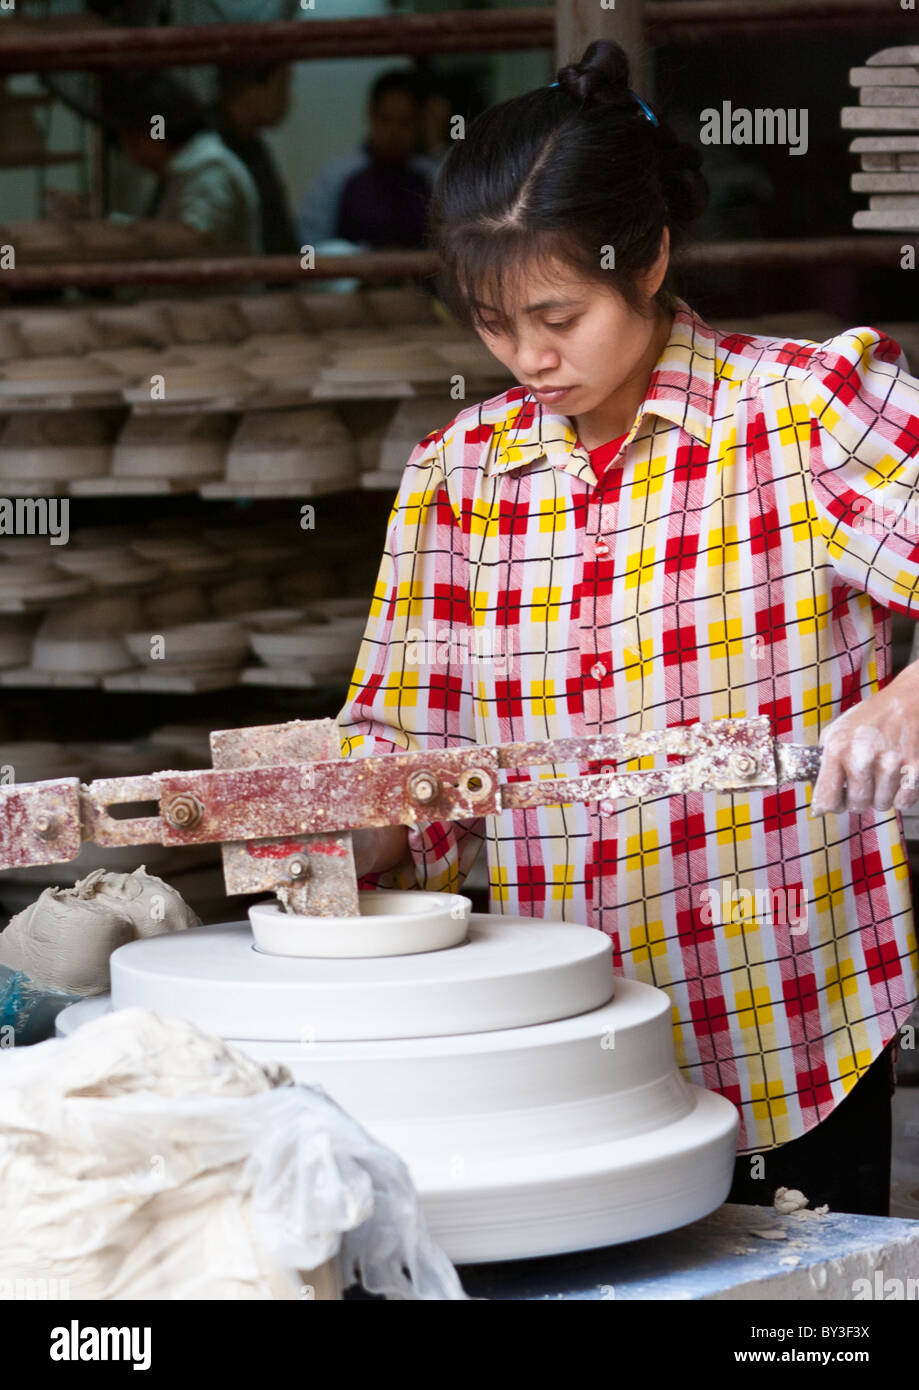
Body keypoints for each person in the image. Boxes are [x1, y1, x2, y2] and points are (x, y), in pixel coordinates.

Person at [336, 40, 919, 1216]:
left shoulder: (800, 413)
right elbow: (396, 733)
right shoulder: (460, 472)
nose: (528, 357)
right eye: (493, 324)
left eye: (558, 314)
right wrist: (329, 816)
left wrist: (911, 692)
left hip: (787, 1022)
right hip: (555, 1049)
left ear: (647, 257)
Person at [102, 72, 263, 254]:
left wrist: (103, 230)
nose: (128, 148)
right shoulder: (177, 174)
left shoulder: (212, 169)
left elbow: (194, 237)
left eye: (133, 138)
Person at [296, 68, 432, 252]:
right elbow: (311, 247)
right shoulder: (337, 177)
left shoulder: (433, 178)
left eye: (404, 122)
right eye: (386, 120)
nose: (394, 132)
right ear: (371, 116)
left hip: (419, 281)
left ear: (419, 123)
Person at [214, 64, 299, 255]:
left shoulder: (252, 145)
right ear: (250, 88)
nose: (289, 99)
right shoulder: (209, 149)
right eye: (284, 86)